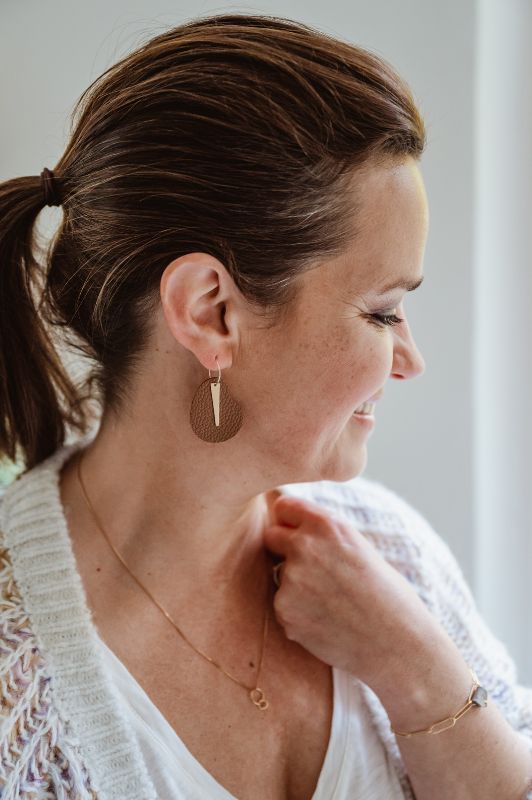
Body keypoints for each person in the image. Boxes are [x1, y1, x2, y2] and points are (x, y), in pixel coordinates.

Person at [0, 12, 531, 800]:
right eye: (383, 312)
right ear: (211, 311)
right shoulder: (20, 692)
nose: (411, 361)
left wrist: (418, 674)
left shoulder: (392, 558)